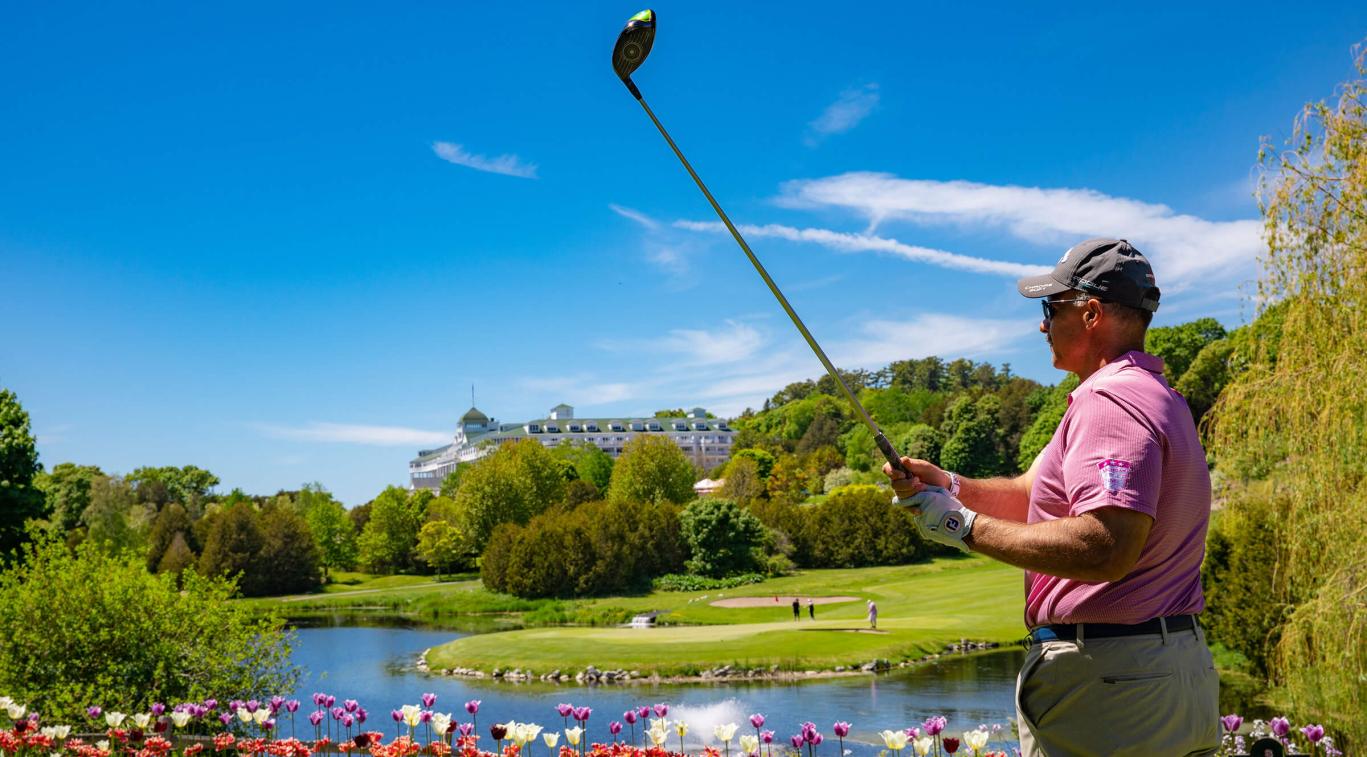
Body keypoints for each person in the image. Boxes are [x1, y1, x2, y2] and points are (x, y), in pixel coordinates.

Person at [884, 239, 1219, 756]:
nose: (1043, 325)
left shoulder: (1108, 401)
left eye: (1052, 308)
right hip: (1162, 669)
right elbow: (1031, 495)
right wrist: (948, 487)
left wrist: (962, 527)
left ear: (1090, 313)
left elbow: (1106, 545)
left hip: (1113, 685)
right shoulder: (1157, 396)